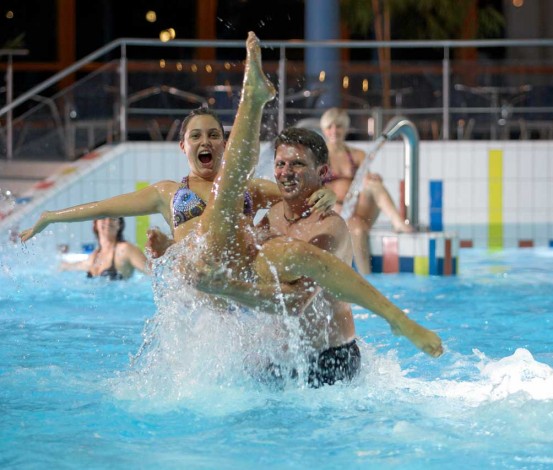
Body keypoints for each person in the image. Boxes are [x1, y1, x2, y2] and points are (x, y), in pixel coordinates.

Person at [194, 126, 443, 386]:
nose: (286, 172)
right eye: (280, 164)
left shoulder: (329, 228)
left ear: (322, 172)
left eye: (298, 164)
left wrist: (226, 287)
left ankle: (398, 321)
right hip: (280, 359)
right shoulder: (272, 216)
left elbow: (295, 303)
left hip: (329, 362)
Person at [19, 107, 334, 252]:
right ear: (183, 147)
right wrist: (51, 217)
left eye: (214, 135)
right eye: (196, 136)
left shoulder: (246, 188)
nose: (206, 141)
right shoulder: (166, 193)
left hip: (238, 285)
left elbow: (296, 195)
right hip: (197, 293)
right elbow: (103, 207)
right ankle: (171, 247)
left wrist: (327, 194)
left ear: (225, 146)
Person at [320, 107, 413, 274]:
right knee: (357, 229)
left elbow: (364, 180)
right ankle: (366, 278)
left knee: (374, 185)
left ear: (346, 129)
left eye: (339, 126)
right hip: (335, 211)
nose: (335, 131)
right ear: (324, 130)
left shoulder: (356, 155)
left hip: (357, 207)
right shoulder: (319, 157)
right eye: (330, 127)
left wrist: (372, 179)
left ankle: (398, 223)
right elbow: (316, 190)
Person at [60, 217, 148, 280]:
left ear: (119, 225)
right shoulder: (94, 256)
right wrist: (64, 266)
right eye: (103, 218)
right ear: (95, 224)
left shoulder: (125, 249)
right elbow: (78, 265)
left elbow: (153, 272)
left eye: (113, 218)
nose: (108, 222)